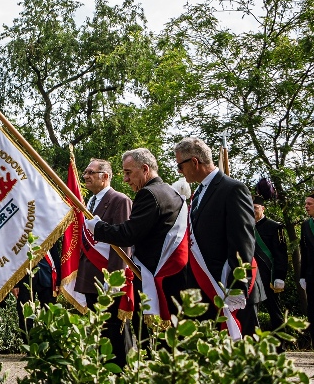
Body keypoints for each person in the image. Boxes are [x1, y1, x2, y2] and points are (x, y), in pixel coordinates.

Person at [86, 148, 187, 324]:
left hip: (154, 274)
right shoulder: (171, 192)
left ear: (145, 169)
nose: (125, 179)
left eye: (128, 173)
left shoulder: (148, 194)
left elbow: (129, 234)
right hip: (174, 276)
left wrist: (98, 227)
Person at [176, 137, 256, 336]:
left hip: (224, 282)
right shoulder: (200, 192)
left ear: (194, 162)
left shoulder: (232, 189)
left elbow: (242, 240)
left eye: (180, 165)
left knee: (240, 352)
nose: (179, 171)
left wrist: (238, 285)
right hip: (204, 284)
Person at [74, 159, 133, 366]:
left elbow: (122, 243)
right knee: (98, 330)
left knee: (115, 331)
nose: (86, 176)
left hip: (108, 279)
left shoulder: (120, 200)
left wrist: (114, 279)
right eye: (85, 172)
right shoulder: (89, 202)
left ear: (105, 176)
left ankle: (123, 371)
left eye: (91, 172)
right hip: (91, 278)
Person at [244, 194, 288, 333]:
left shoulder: (275, 227)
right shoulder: (245, 226)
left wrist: (280, 276)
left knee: (275, 312)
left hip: (269, 276)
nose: (253, 210)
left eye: (255, 207)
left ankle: (280, 347)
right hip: (251, 277)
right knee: (250, 313)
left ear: (263, 208)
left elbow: (281, 255)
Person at [299, 194, 314, 345]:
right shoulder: (305, 225)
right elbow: (304, 251)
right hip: (311, 276)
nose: (306, 206)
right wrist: (302, 275)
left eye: (309, 204)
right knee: (312, 313)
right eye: (306, 204)